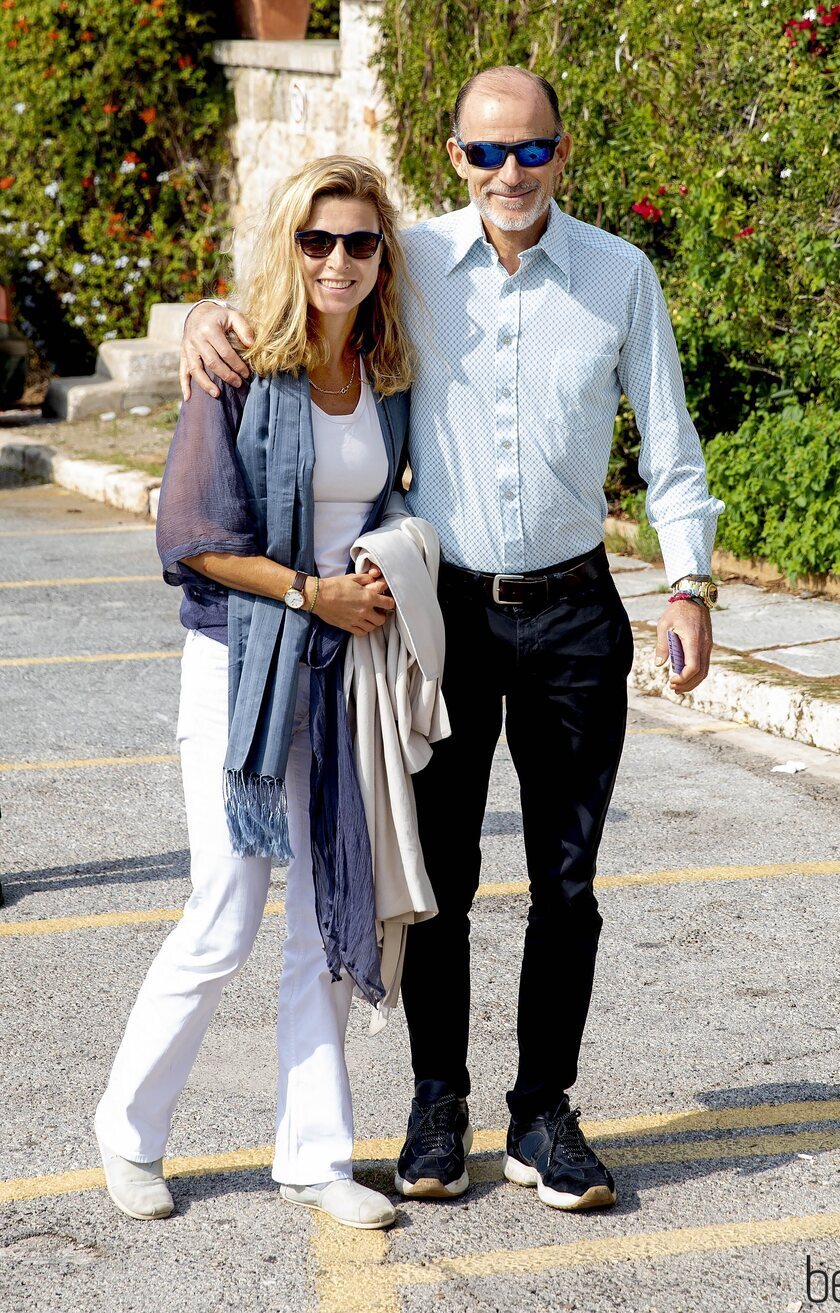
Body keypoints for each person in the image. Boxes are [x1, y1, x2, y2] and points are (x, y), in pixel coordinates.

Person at [181, 66, 724, 1214]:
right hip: (445, 620)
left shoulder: (619, 279)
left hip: (576, 613)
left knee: (566, 882)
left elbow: (669, 449)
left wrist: (689, 587)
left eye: (530, 151)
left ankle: (543, 1113)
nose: (509, 174)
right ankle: (438, 1103)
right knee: (441, 878)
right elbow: (294, 291)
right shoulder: (410, 262)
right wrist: (204, 319)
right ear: (453, 157)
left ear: (562, 154)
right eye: (486, 154)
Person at [95, 156, 417, 1230]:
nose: (337, 260)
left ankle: (316, 1157)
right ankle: (127, 1131)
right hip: (241, 666)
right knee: (223, 915)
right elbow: (191, 538)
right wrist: (312, 594)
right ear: (289, 247)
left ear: (382, 256)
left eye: (359, 242)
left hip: (343, 675)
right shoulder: (237, 367)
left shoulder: (386, 373)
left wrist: (378, 570)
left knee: (325, 920)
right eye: (316, 241)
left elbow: (387, 499)